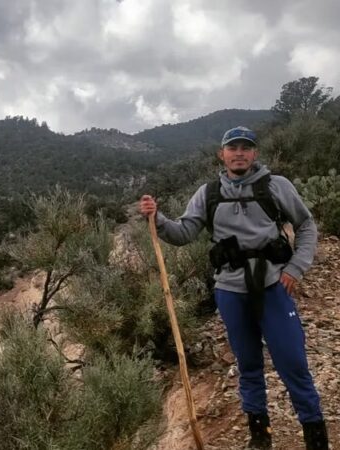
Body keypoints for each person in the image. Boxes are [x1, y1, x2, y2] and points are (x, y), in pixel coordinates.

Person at [138, 126, 329, 450]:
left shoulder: (275, 186)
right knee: (248, 364)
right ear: (222, 154)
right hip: (230, 290)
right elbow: (183, 232)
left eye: (246, 147)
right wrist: (157, 219)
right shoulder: (208, 193)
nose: (239, 153)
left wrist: (296, 268)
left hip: (272, 286)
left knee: (293, 362)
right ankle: (259, 437)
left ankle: (316, 437)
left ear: (254, 153)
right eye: (232, 147)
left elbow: (306, 225)